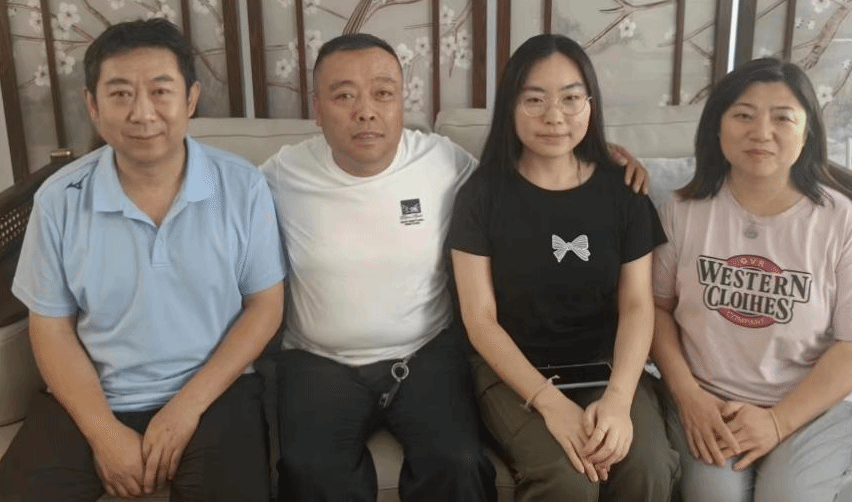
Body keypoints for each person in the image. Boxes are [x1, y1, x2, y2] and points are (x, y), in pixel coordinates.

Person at [261, 33, 648, 501]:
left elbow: (530, 169)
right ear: (317, 109)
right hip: (319, 360)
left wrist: (601, 155)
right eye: (344, 96)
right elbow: (219, 204)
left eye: (382, 93)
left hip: (423, 355)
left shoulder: (442, 161)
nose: (365, 111)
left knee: (458, 463)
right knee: (311, 470)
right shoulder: (279, 174)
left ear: (402, 102)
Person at [0, 18, 286, 502]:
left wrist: (185, 408)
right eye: (121, 94)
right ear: (93, 105)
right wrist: (103, 432)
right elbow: (51, 328)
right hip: (95, 397)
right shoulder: (60, 199)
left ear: (190, 99)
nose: (143, 113)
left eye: (161, 92)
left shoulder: (241, 186)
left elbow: (265, 307)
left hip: (214, 396)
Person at [650, 57, 852, 502]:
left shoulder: (844, 222)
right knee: (713, 495)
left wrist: (776, 422)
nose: (761, 132)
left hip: (808, 404)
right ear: (717, 127)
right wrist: (688, 395)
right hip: (708, 398)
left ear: (807, 132)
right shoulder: (683, 210)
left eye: (782, 118)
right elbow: (655, 307)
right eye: (743, 115)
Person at [448, 33, 679, 502]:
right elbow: (480, 320)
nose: (554, 117)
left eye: (571, 99)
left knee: (647, 466)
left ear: (590, 104)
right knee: (567, 478)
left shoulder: (624, 190)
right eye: (534, 100)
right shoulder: (481, 195)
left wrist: (618, 399)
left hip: (605, 364)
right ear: (510, 107)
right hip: (512, 370)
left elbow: (637, 305)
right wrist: (549, 403)